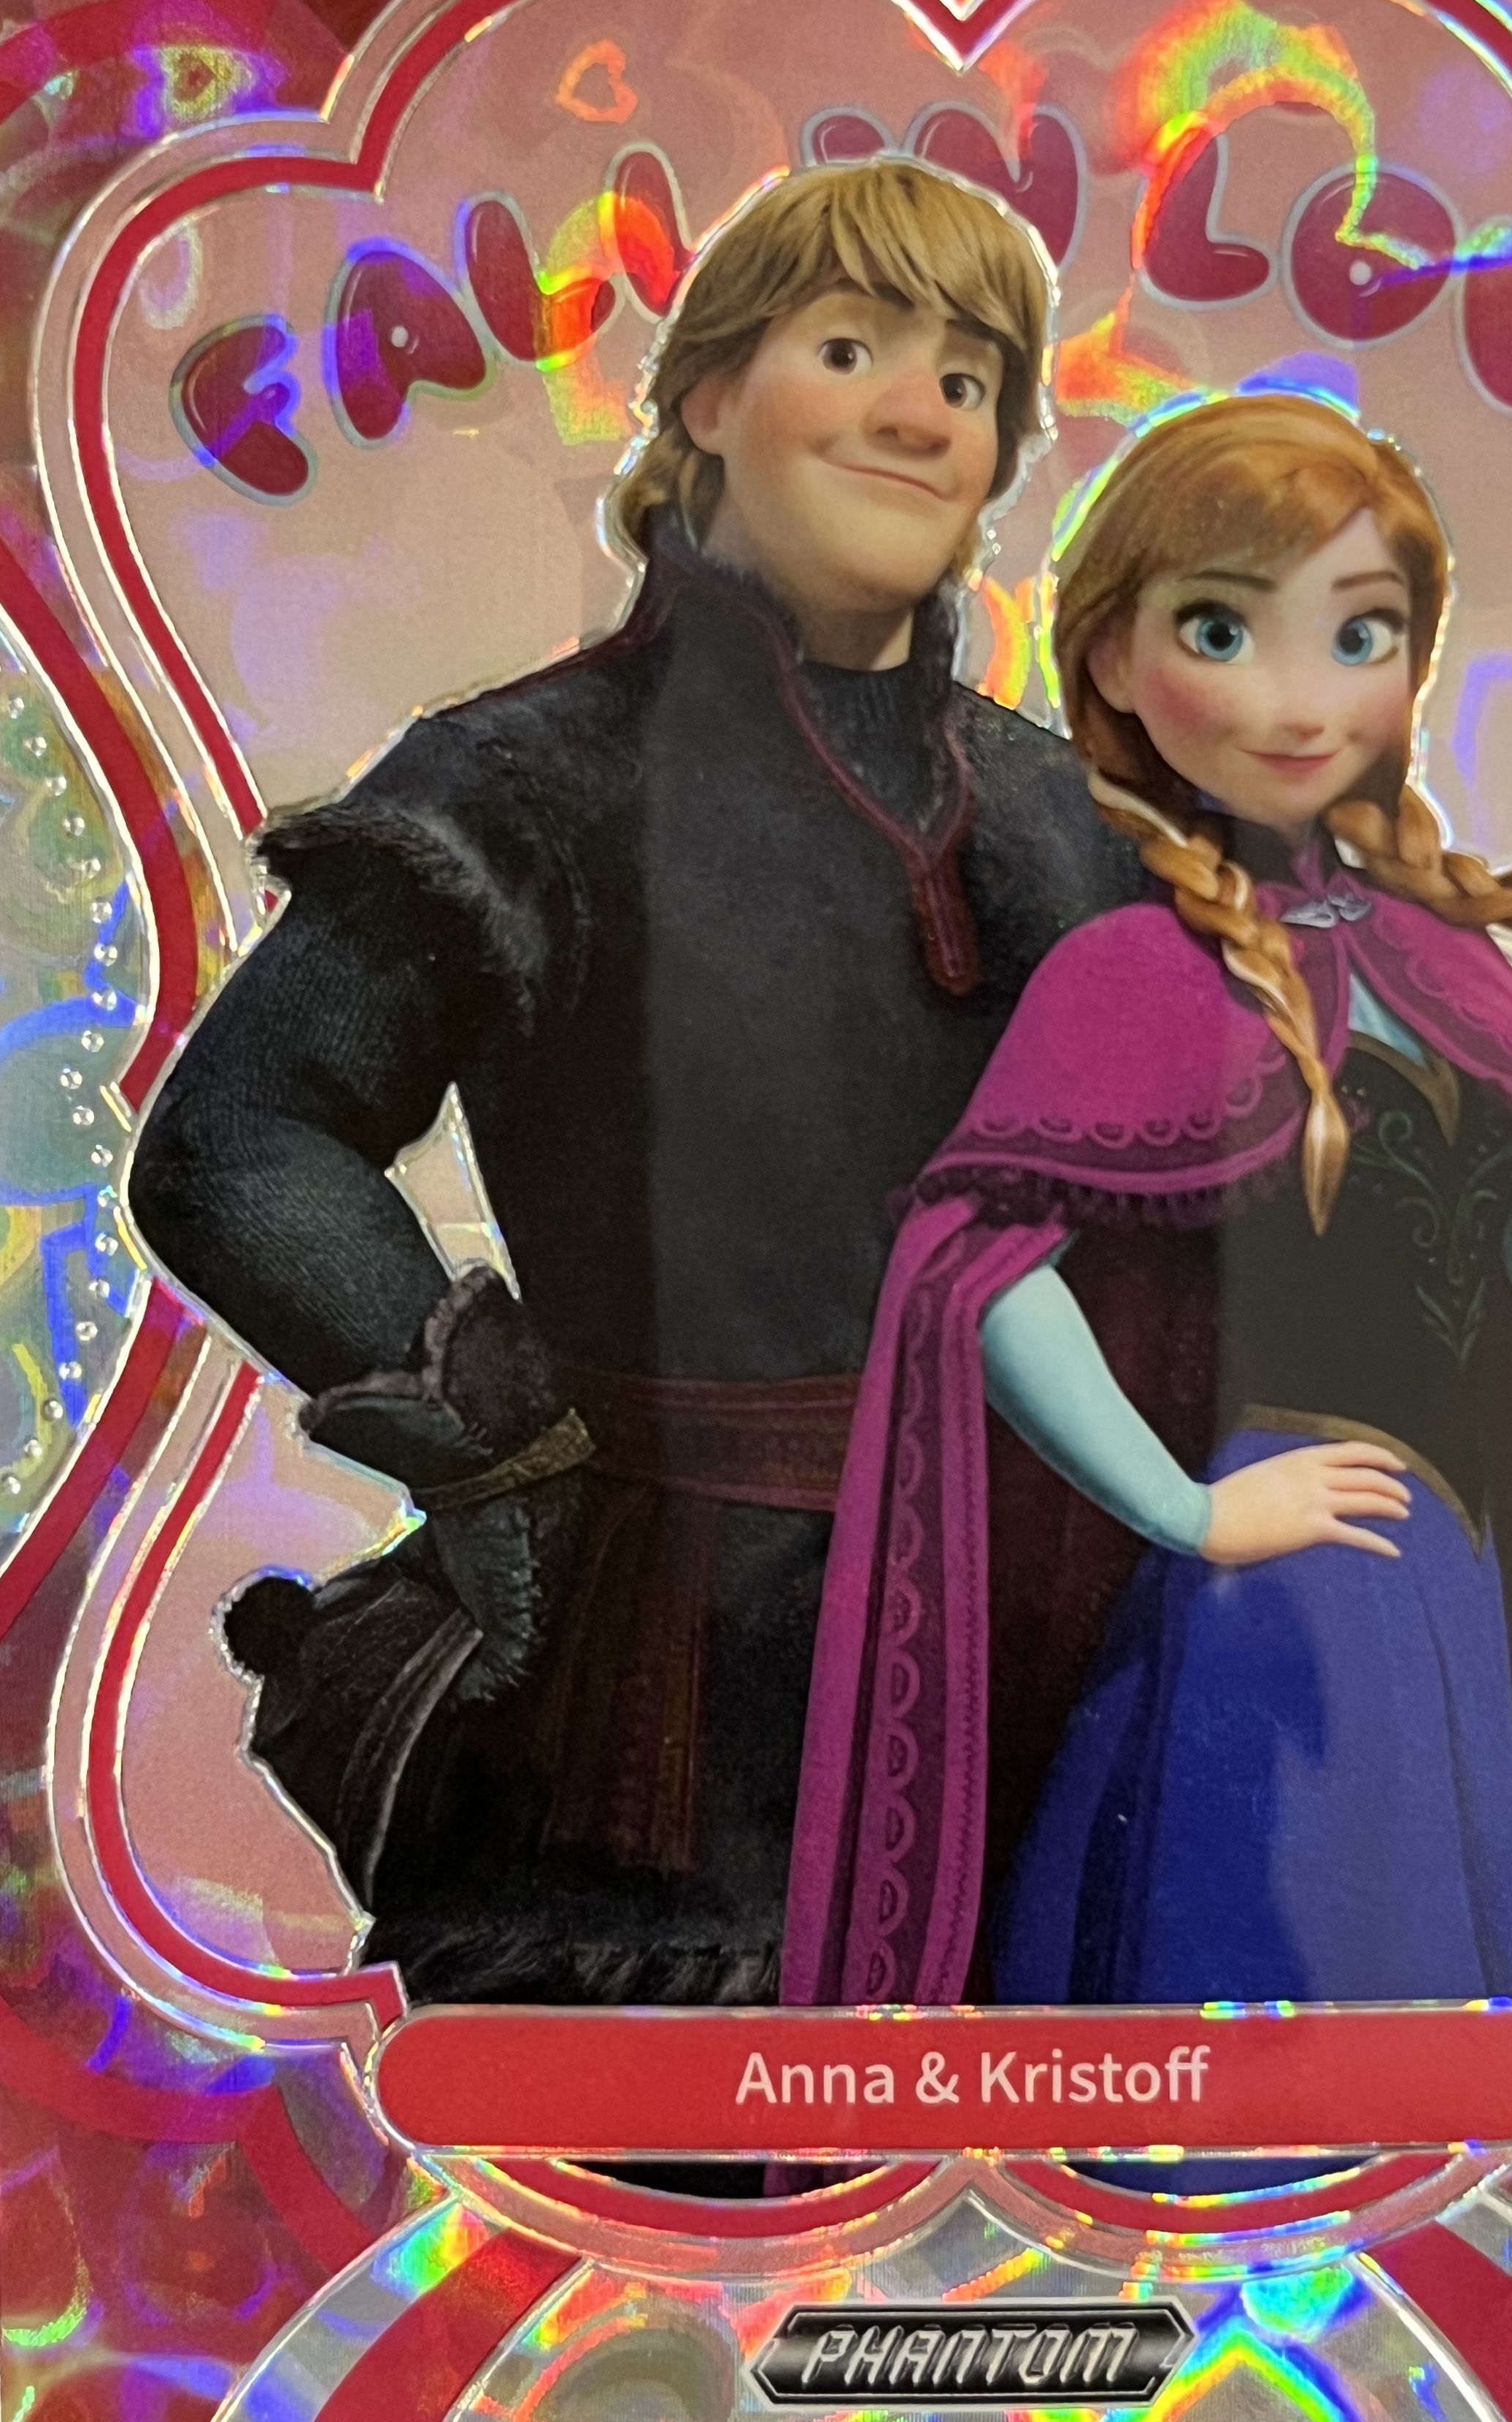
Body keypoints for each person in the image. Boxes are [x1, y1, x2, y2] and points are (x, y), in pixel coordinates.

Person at [126, 156, 1143, 2012]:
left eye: (971, 380)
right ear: (707, 398)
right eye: (854, 348)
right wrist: (493, 1449)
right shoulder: (524, 779)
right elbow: (240, 1140)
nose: (922, 410)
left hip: (1043, 1681)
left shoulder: (1069, 815)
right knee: (660, 2184)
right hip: (667, 1732)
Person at [784, 392, 1512, 2034]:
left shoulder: (1435, 957)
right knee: (1280, 2064)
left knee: (1429, 2067)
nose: (1299, 696)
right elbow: (976, 1269)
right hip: (1285, 1604)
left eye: (1359, 635)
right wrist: (1187, 1512)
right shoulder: (1134, 967)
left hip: (1447, 1589)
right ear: (1113, 663)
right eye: (1222, 629)